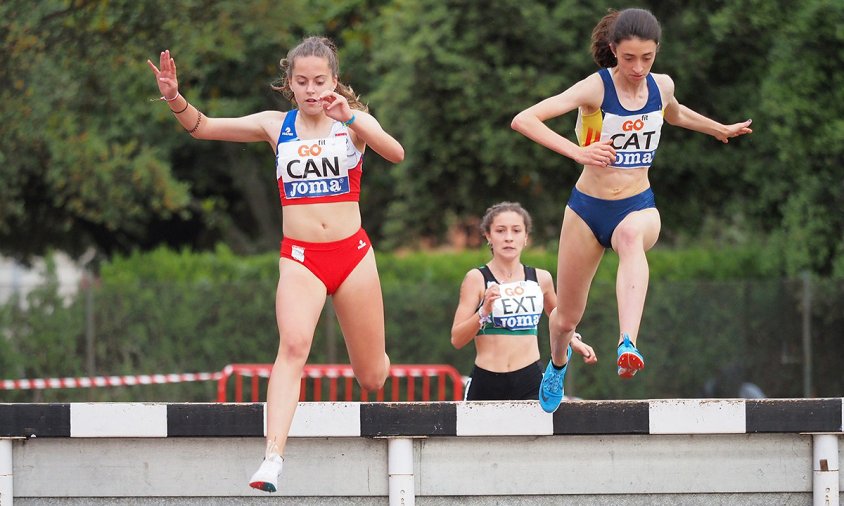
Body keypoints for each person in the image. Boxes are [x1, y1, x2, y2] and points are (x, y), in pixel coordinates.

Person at [148, 36, 404, 492]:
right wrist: (175, 98)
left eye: (319, 81)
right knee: (293, 345)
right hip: (301, 259)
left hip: (353, 256)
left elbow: (396, 153)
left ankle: (381, 355)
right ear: (289, 83)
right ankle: (272, 459)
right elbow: (203, 127)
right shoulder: (274, 126)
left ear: (334, 81)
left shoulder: (352, 123)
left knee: (372, 378)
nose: (310, 89)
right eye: (301, 81)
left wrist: (356, 119)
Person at [510, 8, 753, 413]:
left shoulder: (662, 86)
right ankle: (556, 363)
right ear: (613, 52)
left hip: (638, 205)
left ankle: (628, 342)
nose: (638, 68)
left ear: (656, 52)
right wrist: (578, 151)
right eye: (628, 59)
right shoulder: (596, 88)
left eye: (647, 58)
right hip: (586, 210)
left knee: (629, 237)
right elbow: (524, 119)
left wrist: (719, 128)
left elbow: (674, 112)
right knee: (566, 319)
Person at [450, 202, 597, 401]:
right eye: (500, 230)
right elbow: (457, 339)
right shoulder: (476, 279)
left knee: (539, 433)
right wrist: (483, 312)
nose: (509, 237)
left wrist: (574, 341)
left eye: (516, 230)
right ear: (488, 236)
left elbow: (561, 319)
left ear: (526, 237)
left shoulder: (541, 279)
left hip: (529, 378)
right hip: (486, 380)